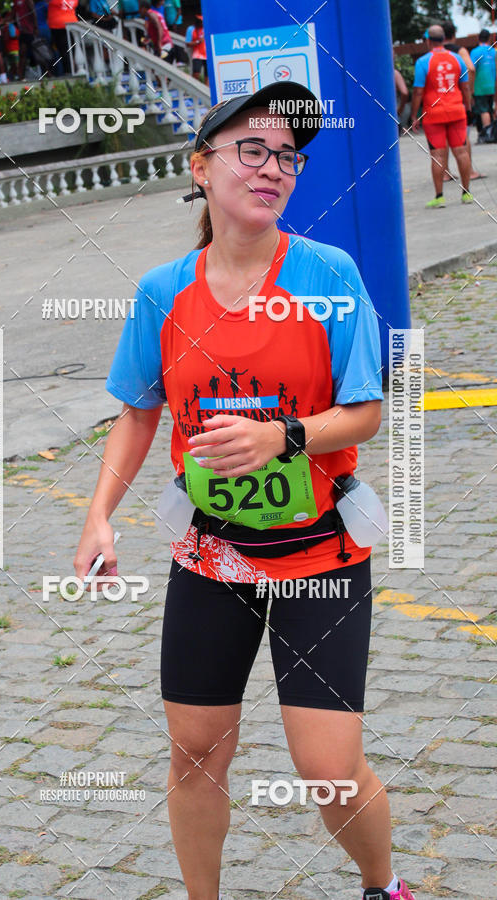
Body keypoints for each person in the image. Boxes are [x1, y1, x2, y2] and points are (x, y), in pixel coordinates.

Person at [74, 79, 418, 900]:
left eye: (287, 156)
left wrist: (283, 436)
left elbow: (367, 412)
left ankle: (383, 885)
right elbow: (137, 415)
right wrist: (97, 518)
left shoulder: (327, 275)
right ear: (202, 165)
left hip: (319, 554)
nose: (273, 168)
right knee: (195, 751)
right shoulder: (164, 291)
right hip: (212, 557)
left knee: (327, 767)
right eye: (252, 150)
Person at [411, 24, 473, 208]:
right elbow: (465, 87)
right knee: (461, 151)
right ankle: (466, 194)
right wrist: (467, 108)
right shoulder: (456, 59)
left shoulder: (423, 62)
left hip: (433, 114)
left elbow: (418, 92)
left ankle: (439, 197)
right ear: (444, 38)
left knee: (437, 155)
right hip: (456, 111)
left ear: (429, 40)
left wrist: (414, 115)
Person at [443, 20, 483, 181]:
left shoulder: (434, 53)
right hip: (456, 99)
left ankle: (445, 173)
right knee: (462, 136)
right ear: (454, 34)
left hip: (438, 100)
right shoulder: (458, 51)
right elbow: (471, 68)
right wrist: (470, 90)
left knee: (442, 137)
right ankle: (470, 172)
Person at [470, 28, 496, 139]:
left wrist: (470, 88)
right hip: (493, 85)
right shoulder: (493, 51)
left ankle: (487, 134)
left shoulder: (475, 52)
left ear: (478, 38)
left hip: (480, 86)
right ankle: (493, 132)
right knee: (491, 109)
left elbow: (472, 69)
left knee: (483, 110)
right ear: (489, 38)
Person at [47, 0, 78, 73]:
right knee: (70, 50)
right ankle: (71, 70)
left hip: (58, 26)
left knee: (63, 50)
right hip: (72, 24)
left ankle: (69, 71)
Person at [13, 0, 38, 79]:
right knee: (22, 54)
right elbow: (14, 14)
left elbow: (33, 12)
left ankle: (47, 73)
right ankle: (21, 76)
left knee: (38, 53)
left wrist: (35, 27)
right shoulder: (15, 2)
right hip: (22, 32)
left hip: (30, 31)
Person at [185, 12, 207, 83]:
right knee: (196, 73)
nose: (202, 23)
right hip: (197, 55)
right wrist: (198, 42)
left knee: (208, 75)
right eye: (201, 22)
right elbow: (187, 43)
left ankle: (207, 91)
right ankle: (193, 89)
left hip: (208, 54)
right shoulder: (191, 29)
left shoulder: (207, 27)